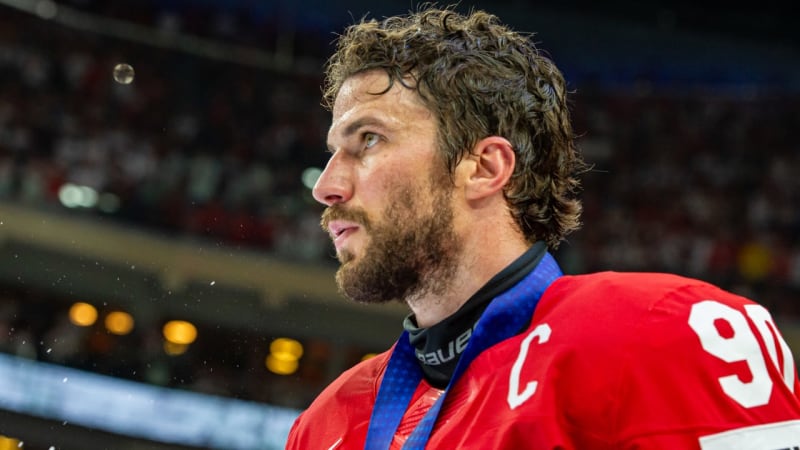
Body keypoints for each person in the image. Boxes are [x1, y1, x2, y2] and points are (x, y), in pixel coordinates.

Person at [286, 6, 800, 450]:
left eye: (369, 139)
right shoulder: (325, 423)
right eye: (334, 152)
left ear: (486, 168)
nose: (326, 186)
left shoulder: (664, 333)